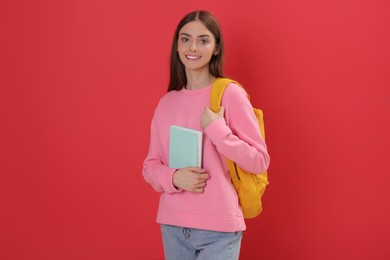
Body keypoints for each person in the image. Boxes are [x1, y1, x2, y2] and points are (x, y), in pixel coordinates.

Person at [142, 10, 270, 259]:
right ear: (177, 47)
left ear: (216, 48)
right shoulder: (167, 103)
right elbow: (150, 166)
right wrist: (176, 177)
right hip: (173, 226)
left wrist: (218, 130)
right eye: (185, 39)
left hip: (219, 228)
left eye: (203, 40)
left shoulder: (230, 94)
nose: (193, 47)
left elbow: (259, 160)